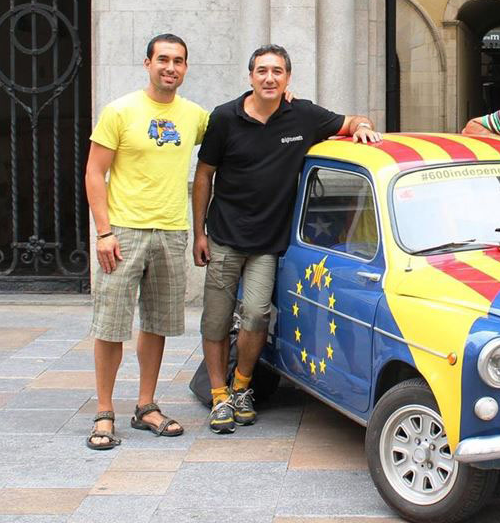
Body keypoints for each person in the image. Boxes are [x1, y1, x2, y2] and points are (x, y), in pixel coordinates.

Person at [192, 44, 381, 434]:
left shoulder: (304, 115)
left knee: (258, 314)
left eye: (277, 72)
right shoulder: (224, 118)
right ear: (250, 76)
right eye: (262, 71)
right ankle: (218, 395)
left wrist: (362, 126)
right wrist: (199, 233)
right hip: (224, 237)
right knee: (215, 318)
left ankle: (242, 387)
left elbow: (352, 120)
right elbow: (204, 175)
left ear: (288, 78)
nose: (269, 78)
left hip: (268, 242)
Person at [84, 34, 209, 450]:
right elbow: (93, 173)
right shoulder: (120, 111)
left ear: (186, 68)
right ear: (147, 63)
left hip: (171, 232)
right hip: (122, 231)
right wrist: (103, 232)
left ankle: (146, 405)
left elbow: (240, 126)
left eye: (178, 61)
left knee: (156, 324)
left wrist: (285, 101)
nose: (170, 68)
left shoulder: (194, 116)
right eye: (163, 60)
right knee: (111, 325)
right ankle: (104, 411)